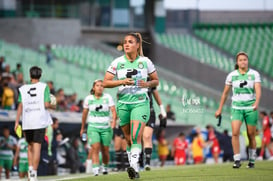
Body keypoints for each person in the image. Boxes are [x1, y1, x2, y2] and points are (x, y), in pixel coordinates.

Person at [103, 32, 159, 179]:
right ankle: (134, 169)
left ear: (137, 45)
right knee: (128, 138)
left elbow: (156, 81)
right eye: (125, 42)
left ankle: (133, 166)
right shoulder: (117, 62)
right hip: (123, 104)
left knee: (135, 136)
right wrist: (121, 82)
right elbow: (105, 82)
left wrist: (147, 83)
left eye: (130, 42)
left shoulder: (146, 62)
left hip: (140, 103)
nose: (127, 44)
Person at [215, 51, 261, 169]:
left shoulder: (254, 74)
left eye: (245, 59)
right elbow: (225, 94)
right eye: (240, 60)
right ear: (237, 62)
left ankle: (251, 160)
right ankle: (237, 160)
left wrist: (256, 102)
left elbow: (258, 90)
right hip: (236, 108)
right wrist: (219, 109)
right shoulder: (231, 75)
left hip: (251, 107)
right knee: (235, 132)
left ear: (247, 61)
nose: (243, 62)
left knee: (251, 135)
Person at [14, 66, 55, 181]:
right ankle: (33, 174)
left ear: (30, 75)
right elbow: (47, 104)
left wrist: (17, 121)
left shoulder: (23, 88)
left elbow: (20, 106)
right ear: (40, 75)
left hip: (27, 122)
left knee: (30, 147)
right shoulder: (44, 87)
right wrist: (54, 106)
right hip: (39, 120)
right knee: (37, 147)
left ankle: (30, 170)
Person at [80, 79, 117, 176]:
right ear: (93, 87)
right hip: (93, 127)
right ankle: (95, 170)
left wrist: (113, 123)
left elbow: (113, 111)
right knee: (95, 148)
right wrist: (82, 127)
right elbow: (84, 114)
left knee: (105, 150)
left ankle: (105, 167)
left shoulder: (108, 97)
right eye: (97, 85)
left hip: (106, 128)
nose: (100, 87)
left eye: (101, 85)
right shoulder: (88, 99)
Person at [140, 82, 167, 170]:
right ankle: (138, 161)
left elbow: (155, 93)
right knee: (137, 137)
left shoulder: (149, 79)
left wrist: (162, 109)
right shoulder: (131, 77)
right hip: (135, 112)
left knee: (147, 136)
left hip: (149, 111)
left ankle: (147, 163)